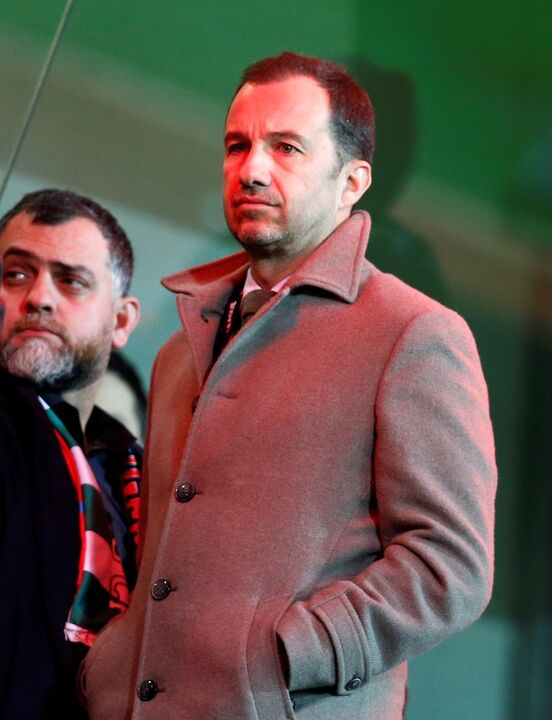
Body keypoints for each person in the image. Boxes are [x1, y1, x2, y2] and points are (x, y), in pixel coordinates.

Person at [81, 52, 497, 720]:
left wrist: (286, 658)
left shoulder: (414, 333)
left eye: (286, 147)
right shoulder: (178, 350)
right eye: (237, 145)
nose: (251, 169)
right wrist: (108, 667)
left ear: (352, 182)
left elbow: (449, 568)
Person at [0, 188, 141, 719]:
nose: (38, 297)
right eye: (16, 274)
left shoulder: (142, 476)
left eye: (71, 281)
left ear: (121, 321)